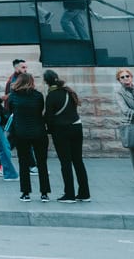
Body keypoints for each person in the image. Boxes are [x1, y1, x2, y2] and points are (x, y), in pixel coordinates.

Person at [43, 70, 89, 203]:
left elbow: (49, 117)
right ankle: (84, 193)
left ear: (46, 82)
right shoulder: (68, 91)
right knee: (78, 161)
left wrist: (49, 130)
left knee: (65, 162)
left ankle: (69, 194)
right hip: (76, 127)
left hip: (61, 130)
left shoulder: (51, 95)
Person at [8, 73, 51, 201]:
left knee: (23, 163)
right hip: (39, 133)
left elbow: (11, 112)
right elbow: (40, 111)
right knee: (42, 163)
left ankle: (26, 193)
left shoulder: (13, 97)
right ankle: (44, 193)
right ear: (31, 82)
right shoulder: (38, 96)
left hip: (21, 134)